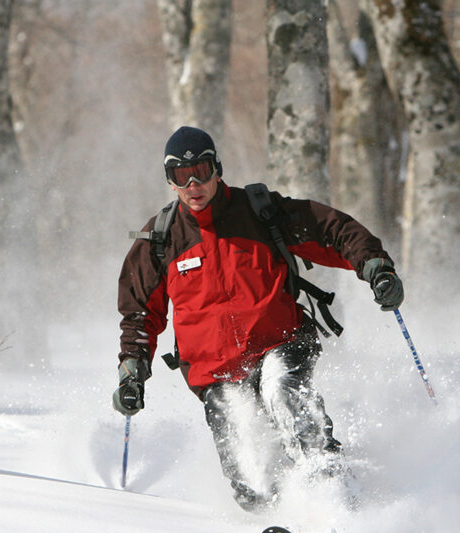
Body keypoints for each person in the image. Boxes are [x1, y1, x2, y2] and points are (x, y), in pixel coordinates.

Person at [114, 126, 404, 512]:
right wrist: (132, 371)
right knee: (251, 475)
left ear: (217, 168)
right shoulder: (160, 240)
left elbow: (331, 230)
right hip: (214, 370)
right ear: (170, 181)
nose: (194, 184)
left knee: (281, 394)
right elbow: (138, 313)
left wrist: (374, 266)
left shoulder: (258, 212)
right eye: (181, 176)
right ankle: (279, 521)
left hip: (279, 341)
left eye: (201, 170)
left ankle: (336, 494)